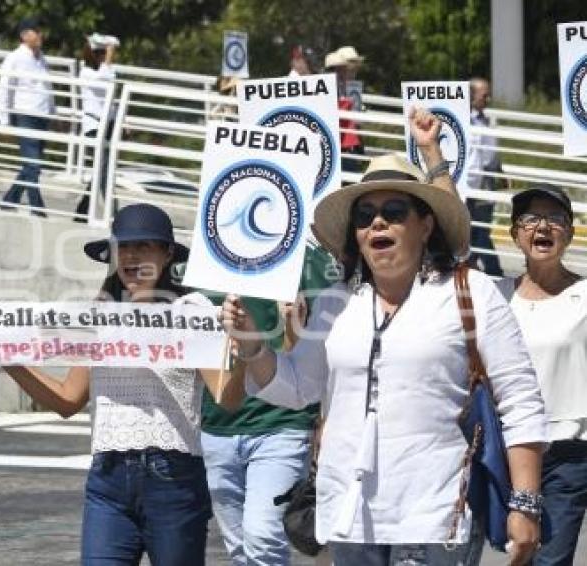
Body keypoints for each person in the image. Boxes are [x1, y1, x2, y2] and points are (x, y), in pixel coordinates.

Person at [221, 108, 547, 566]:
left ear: (425, 224)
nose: (377, 223)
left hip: (435, 517)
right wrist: (253, 345)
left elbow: (520, 400)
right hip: (349, 518)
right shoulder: (336, 302)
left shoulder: (470, 291)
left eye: (393, 212)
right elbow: (298, 389)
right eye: (365, 215)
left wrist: (526, 502)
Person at [0, 203, 240, 565]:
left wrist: (241, 348)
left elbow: (228, 398)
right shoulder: (98, 314)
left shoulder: (192, 310)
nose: (131, 255)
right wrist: (5, 355)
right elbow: (67, 400)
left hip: (172, 479)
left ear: (168, 253)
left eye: (144, 246)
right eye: (123, 247)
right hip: (107, 478)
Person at [201, 245, 336, 566]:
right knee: (240, 550)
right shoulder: (210, 254)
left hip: (283, 427)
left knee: (263, 539)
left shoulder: (317, 264)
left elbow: (322, 359)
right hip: (217, 429)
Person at [497, 185, 587, 566]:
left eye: (555, 218)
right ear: (516, 233)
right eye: (531, 219)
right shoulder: (497, 297)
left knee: (550, 561)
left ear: (569, 232)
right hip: (505, 450)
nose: (543, 227)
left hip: (567, 452)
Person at [0, 17, 54, 216]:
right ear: (24, 35)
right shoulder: (14, 58)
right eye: (36, 31)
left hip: (42, 115)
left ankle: (10, 199)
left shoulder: (41, 58)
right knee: (33, 164)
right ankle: (37, 208)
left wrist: (52, 113)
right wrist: (4, 120)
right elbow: (4, 89)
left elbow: (48, 88)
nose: (40, 35)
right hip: (25, 115)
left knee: (31, 166)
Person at [74, 35, 117, 221]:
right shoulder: (86, 72)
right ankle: (113, 213)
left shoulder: (104, 70)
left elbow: (110, 98)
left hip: (108, 124)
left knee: (102, 171)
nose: (102, 56)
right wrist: (108, 58)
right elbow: (103, 83)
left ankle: (83, 210)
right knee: (103, 170)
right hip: (94, 125)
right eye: (99, 53)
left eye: (104, 53)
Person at [466, 77, 504, 276]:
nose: (487, 98)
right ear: (471, 96)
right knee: (476, 230)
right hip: (469, 182)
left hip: (485, 180)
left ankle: (484, 270)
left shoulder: (486, 119)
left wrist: (500, 171)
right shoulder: (465, 120)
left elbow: (490, 150)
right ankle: (492, 270)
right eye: (484, 95)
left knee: (481, 228)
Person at [326, 50, 365, 176]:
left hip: (348, 143)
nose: (354, 69)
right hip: (341, 143)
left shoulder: (350, 88)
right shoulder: (332, 88)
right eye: (351, 64)